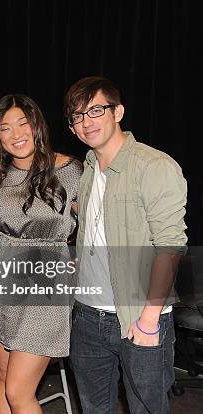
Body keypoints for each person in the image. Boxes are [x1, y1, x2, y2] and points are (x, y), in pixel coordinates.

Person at [65, 76, 187, 414]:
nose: (86, 122)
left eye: (95, 111)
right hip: (88, 317)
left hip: (138, 318)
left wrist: (149, 320)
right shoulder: (88, 168)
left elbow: (170, 246)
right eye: (77, 116)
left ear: (118, 112)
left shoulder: (154, 166)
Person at [0, 94, 82, 414]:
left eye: (23, 123)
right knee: (5, 378)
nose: (16, 133)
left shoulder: (72, 171)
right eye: (5, 128)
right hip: (2, 279)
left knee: (20, 391)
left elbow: (95, 223)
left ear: (37, 125)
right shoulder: (1, 176)